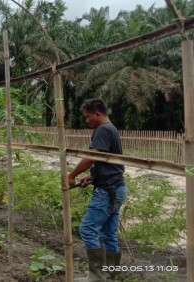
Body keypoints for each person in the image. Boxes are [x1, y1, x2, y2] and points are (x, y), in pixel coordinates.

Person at [68, 98, 127, 282]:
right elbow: (108, 162)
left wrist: (72, 175)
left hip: (107, 191)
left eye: (88, 117)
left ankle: (97, 276)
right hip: (117, 188)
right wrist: (91, 177)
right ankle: (109, 276)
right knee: (108, 233)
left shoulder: (102, 129)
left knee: (87, 229)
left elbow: (93, 156)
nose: (87, 121)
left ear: (98, 114)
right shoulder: (111, 129)